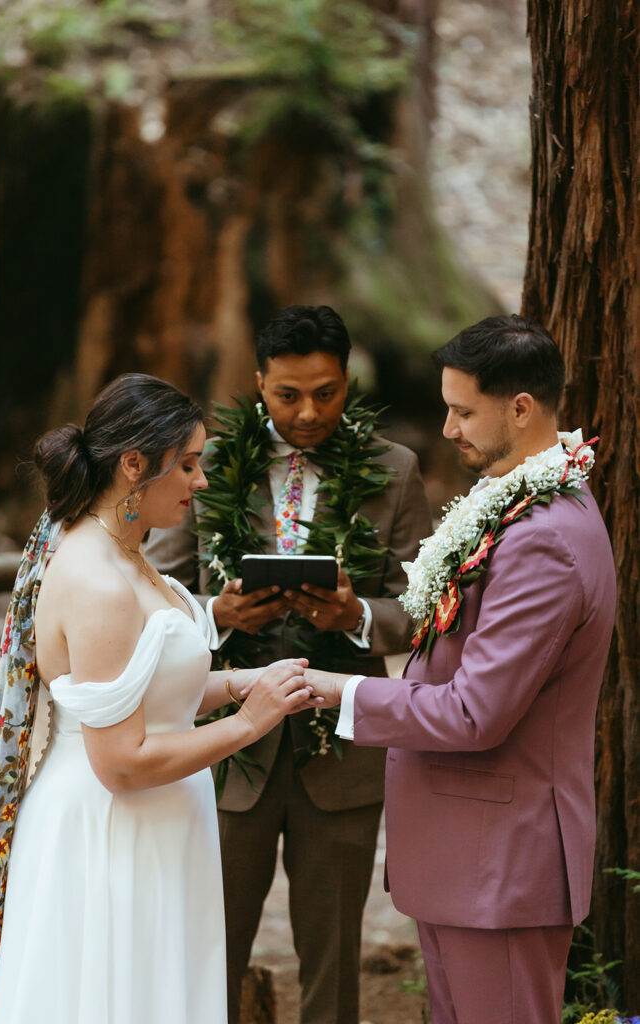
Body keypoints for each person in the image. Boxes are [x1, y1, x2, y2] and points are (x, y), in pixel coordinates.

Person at [0, 373, 318, 1024]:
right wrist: (247, 722)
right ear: (133, 465)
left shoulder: (130, 554)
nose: (199, 482)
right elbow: (120, 761)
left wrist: (241, 684)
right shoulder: (97, 580)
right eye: (186, 465)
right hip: (109, 834)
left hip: (161, 826)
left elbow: (148, 695)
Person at [302, 315, 617, 1024]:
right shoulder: (514, 504)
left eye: (461, 411)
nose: (446, 429)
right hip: (463, 859)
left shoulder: (545, 541)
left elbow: (476, 713)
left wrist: (344, 691)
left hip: (501, 865)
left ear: (520, 408)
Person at [146, 305, 432, 1024]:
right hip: (223, 749)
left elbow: (424, 607)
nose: (308, 412)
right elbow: (151, 594)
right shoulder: (202, 466)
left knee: (332, 962)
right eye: (287, 395)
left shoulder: (394, 471)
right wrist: (217, 615)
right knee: (208, 949)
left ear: (347, 383)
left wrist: (356, 616)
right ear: (258, 384)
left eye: (327, 392)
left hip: (339, 752)